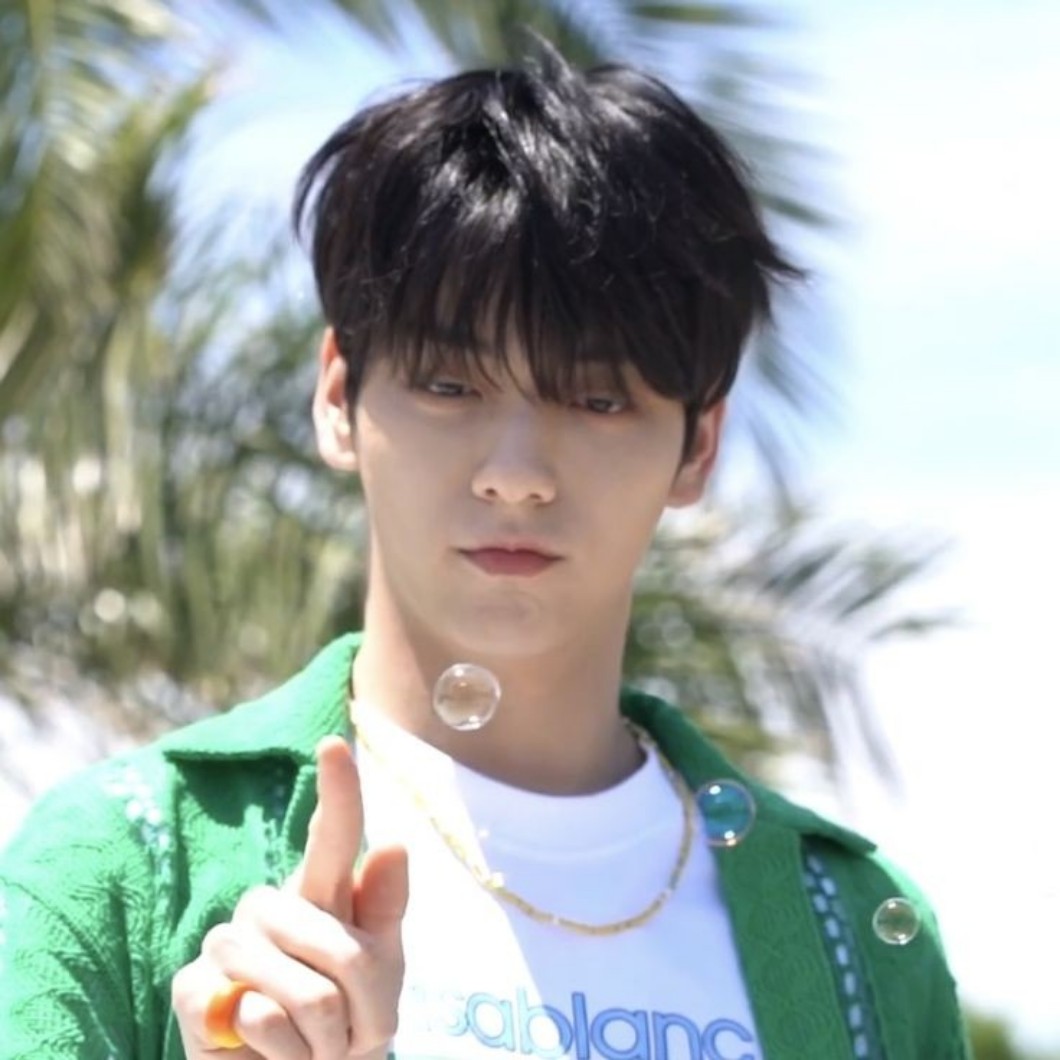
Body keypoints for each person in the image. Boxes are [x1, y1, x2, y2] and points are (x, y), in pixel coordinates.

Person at [0, 40, 969, 1060]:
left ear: (698, 445)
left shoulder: (858, 934)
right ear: (338, 395)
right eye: (449, 386)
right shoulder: (119, 864)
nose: (516, 474)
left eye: (598, 399)